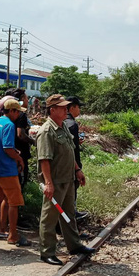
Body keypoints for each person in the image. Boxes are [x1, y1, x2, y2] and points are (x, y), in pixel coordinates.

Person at [36, 94, 95, 266]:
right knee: (49, 217)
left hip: (68, 179)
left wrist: (77, 170)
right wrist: (48, 183)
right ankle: (47, 252)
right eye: (62, 107)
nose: (65, 110)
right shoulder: (47, 131)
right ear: (52, 110)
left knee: (69, 215)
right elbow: (44, 159)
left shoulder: (63, 128)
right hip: (55, 182)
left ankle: (74, 245)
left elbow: (70, 151)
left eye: (66, 107)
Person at [0, 99, 30, 246]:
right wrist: (19, 159)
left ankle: (0, 227)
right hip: (7, 168)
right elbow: (7, 147)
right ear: (12, 111)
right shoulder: (9, 125)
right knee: (14, 201)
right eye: (17, 111)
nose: (18, 114)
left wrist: (14, 151)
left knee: (0, 198)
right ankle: (13, 235)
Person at [64, 96, 90, 223]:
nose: (79, 110)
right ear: (72, 107)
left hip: (64, 164)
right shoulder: (72, 124)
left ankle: (70, 215)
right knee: (71, 192)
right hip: (72, 165)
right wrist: (77, 168)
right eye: (78, 107)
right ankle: (71, 217)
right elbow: (71, 149)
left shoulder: (63, 122)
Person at [7, 88, 35, 190]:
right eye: (27, 98)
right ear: (22, 99)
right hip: (20, 153)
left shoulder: (5, 114)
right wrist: (33, 141)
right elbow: (21, 134)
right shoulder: (21, 115)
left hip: (11, 150)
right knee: (19, 183)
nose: (28, 101)